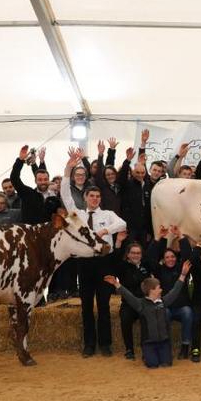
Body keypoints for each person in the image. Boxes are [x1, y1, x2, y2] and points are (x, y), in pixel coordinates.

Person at [62, 152, 127, 358]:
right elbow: (65, 196)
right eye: (91, 196)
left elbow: (123, 224)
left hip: (104, 263)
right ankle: (89, 344)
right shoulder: (78, 216)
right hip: (84, 264)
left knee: (105, 305)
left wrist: (105, 231)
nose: (95, 199)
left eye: (98, 196)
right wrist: (67, 171)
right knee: (87, 307)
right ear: (85, 198)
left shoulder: (107, 215)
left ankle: (105, 344)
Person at [104, 261, 191, 369]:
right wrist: (116, 284)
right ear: (151, 290)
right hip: (149, 343)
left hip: (164, 342)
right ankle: (147, 354)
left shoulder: (163, 302)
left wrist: (183, 275)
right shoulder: (141, 304)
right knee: (153, 365)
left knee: (167, 364)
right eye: (159, 288)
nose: (161, 289)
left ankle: (161, 353)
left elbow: (175, 291)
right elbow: (128, 295)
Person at [146, 225, 194, 359]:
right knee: (163, 313)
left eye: (172, 256)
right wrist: (157, 239)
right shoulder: (159, 270)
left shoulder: (181, 268)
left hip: (181, 307)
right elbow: (150, 258)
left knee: (188, 312)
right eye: (167, 257)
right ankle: (165, 346)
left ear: (176, 257)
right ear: (163, 259)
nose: (170, 259)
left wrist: (181, 236)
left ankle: (185, 347)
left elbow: (188, 255)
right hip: (166, 307)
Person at [10, 145, 60, 225]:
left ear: (49, 180)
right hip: (30, 234)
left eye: (45, 179)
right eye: (40, 180)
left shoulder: (55, 199)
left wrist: (41, 161)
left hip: (49, 234)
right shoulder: (27, 193)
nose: (43, 182)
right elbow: (14, 179)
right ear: (35, 181)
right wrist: (20, 160)